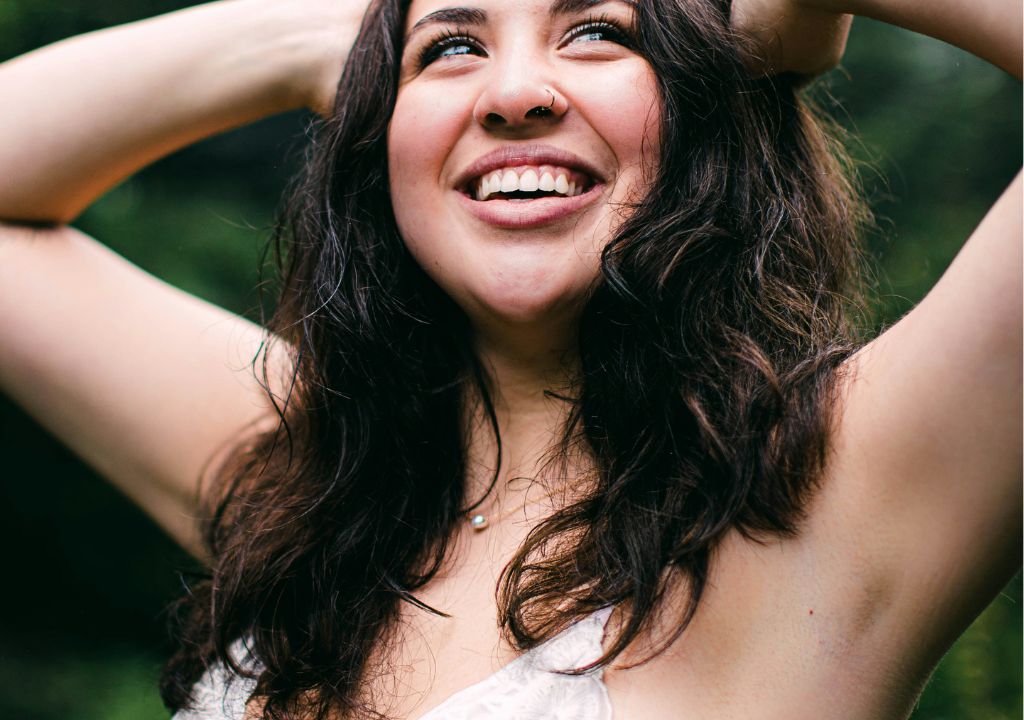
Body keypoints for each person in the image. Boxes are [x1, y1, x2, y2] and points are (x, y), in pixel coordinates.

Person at [0, 0, 1019, 718]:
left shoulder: (838, 491)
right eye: (448, 48)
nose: (517, 90)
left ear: (709, 98)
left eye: (597, 31)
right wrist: (307, 38)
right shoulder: (303, 480)